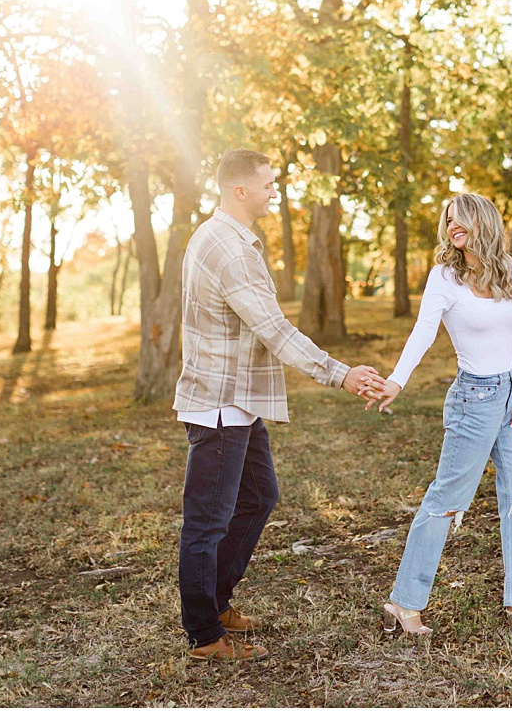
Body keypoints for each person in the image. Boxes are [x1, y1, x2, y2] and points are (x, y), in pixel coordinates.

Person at [173, 148, 385, 663]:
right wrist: (341, 374)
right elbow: (274, 330)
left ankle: (218, 603)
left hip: (238, 402)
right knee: (207, 523)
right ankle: (204, 636)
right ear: (239, 190)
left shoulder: (223, 236)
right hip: (221, 407)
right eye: (268, 184)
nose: (276, 192)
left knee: (260, 496)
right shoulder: (231, 250)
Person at [369, 192, 512, 639]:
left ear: (483, 221)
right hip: (473, 401)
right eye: (449, 220)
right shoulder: (444, 277)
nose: (452, 226)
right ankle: (404, 601)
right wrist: (397, 380)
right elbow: (423, 330)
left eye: (461, 219)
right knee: (447, 500)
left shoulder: (507, 269)